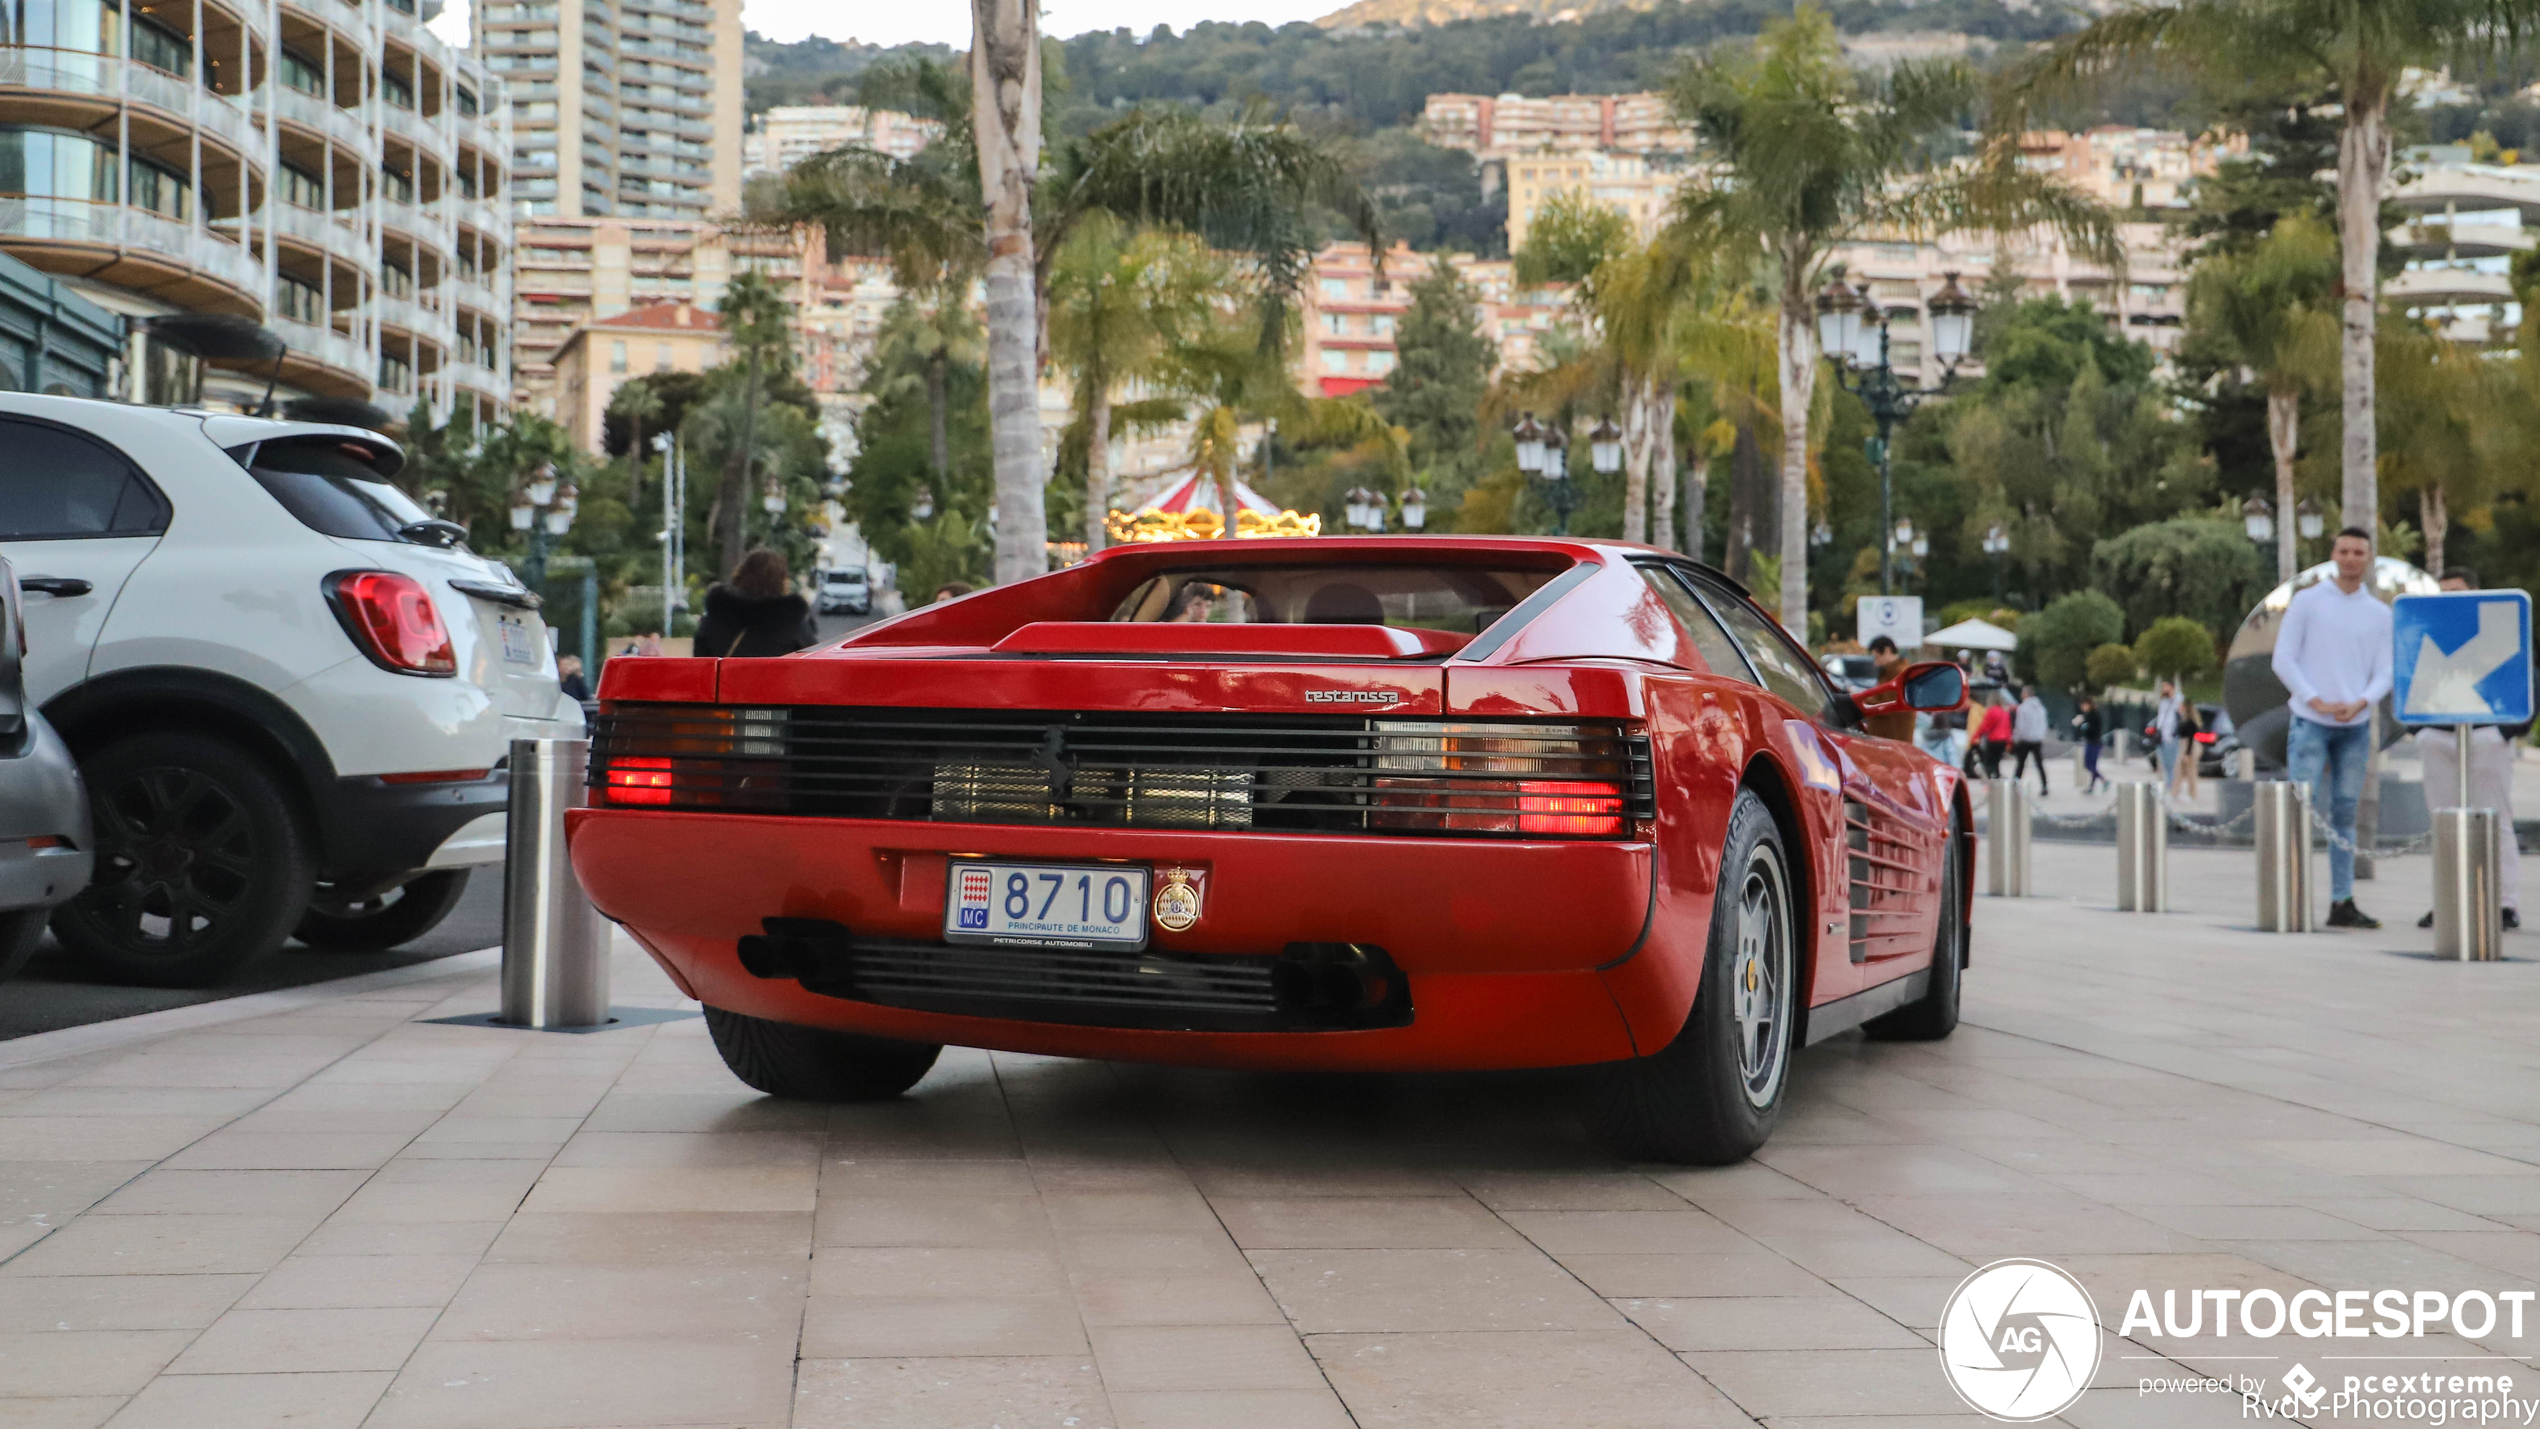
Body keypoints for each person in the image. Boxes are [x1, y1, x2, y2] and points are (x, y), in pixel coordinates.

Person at [2271, 526, 2393, 929]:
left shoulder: (2379, 613)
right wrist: (2313, 699)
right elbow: (2283, 658)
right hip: (2310, 722)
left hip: (2355, 726)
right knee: (2299, 807)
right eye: (2344, 550)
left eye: (2359, 552)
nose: (2351, 558)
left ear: (2368, 558)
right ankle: (2289, 894)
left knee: (2344, 812)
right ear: (2333, 554)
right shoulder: (2307, 602)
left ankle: (2342, 900)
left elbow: (2386, 670)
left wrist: (2361, 701)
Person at [2415, 567, 2525, 931]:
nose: (2450, 597)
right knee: (2443, 821)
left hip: (2486, 736)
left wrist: (2505, 731)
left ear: (2475, 592)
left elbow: (2524, 679)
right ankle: (2446, 900)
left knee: (2496, 818)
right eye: (2444, 591)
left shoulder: (2499, 628)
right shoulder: (2427, 631)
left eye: (2457, 590)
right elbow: (2407, 678)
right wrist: (2420, 729)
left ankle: (2505, 903)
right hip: (2438, 736)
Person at [694, 548, 819, 658]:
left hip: (727, 684)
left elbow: (701, 661)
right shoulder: (792, 620)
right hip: (777, 684)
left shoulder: (718, 614)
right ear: (782, 581)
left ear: (740, 574)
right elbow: (811, 663)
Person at [1862, 635, 1914, 741]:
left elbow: (1888, 704)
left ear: (1887, 651)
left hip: (1893, 739)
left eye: (1877, 657)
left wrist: (1863, 700)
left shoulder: (1899, 673)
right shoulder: (1887, 672)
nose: (1875, 663)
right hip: (1886, 739)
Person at [2009, 684, 2050, 794]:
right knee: (2039, 763)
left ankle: (2015, 784)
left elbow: (2020, 726)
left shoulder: (2022, 708)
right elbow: (2044, 724)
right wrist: (2041, 735)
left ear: (2026, 694)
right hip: (2037, 739)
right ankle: (2044, 785)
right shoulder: (2041, 708)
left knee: (2021, 763)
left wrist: (2015, 738)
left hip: (2025, 739)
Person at [1970, 691, 2013, 778]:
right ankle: (1996, 778)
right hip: (2003, 740)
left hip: (1994, 739)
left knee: (1989, 762)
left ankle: (1990, 780)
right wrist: (2009, 742)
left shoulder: (1991, 711)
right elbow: (2008, 728)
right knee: (1996, 762)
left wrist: (1975, 736)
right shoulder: (2005, 712)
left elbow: (1985, 726)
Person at [2072, 694, 2109, 794]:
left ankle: (2104, 780)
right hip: (2094, 741)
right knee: (2093, 765)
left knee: (2088, 765)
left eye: (2083, 705)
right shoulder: (2093, 714)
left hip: (2093, 742)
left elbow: (2090, 729)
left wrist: (2081, 725)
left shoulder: (2091, 715)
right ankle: (2091, 787)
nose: (2082, 707)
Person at [2153, 679, 2184, 786]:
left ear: (2172, 687)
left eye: (2166, 687)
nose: (2164, 689)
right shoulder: (2163, 701)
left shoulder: (2178, 699)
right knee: (2164, 763)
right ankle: (2167, 784)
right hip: (2161, 736)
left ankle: (2171, 786)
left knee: (2171, 764)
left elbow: (2181, 713)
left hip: (2172, 736)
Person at [2171, 698, 2203, 800]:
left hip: (2189, 747)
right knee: (2179, 771)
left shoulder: (2190, 722)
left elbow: (2189, 738)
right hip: (2184, 746)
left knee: (2190, 772)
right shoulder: (2183, 719)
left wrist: (2187, 753)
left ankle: (2192, 794)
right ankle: (2175, 792)